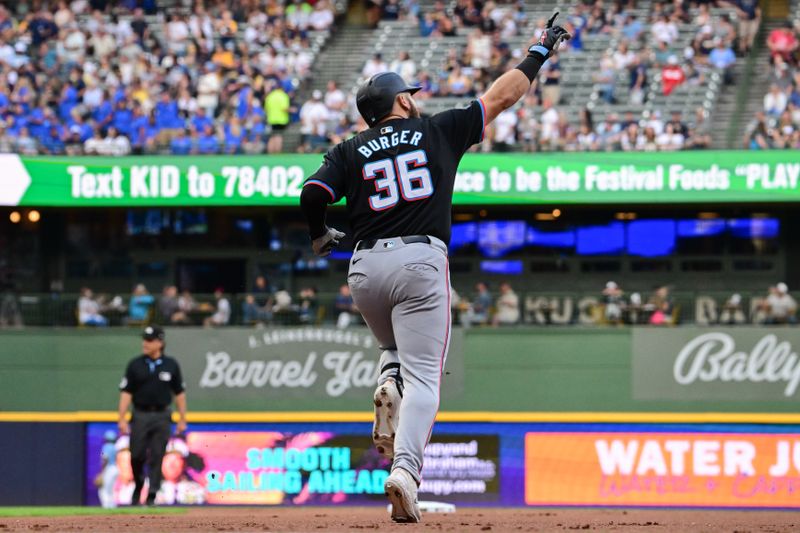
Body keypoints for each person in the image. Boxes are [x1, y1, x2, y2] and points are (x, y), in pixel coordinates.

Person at [299, 12, 569, 523]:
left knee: (393, 349)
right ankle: (405, 470)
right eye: (410, 93)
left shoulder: (348, 149)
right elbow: (503, 97)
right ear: (402, 101)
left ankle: (387, 382)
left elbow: (312, 193)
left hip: (363, 270)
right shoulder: (435, 130)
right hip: (419, 260)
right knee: (426, 376)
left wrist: (318, 234)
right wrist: (539, 50)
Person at [117, 325, 187, 506]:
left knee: (158, 454)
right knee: (136, 455)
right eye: (144, 339)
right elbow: (126, 392)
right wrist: (122, 417)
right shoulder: (135, 365)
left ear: (160, 342)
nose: (145, 343)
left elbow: (179, 393)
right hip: (140, 414)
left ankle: (152, 493)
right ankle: (139, 484)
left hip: (162, 415)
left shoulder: (171, 365)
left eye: (149, 340)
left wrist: (182, 418)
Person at [97, 430, 119, 509]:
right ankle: (112, 505)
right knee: (110, 489)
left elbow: (105, 458)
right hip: (115, 468)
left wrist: (102, 471)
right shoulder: (115, 447)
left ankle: (106, 506)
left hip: (108, 468)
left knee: (103, 489)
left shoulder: (106, 447)